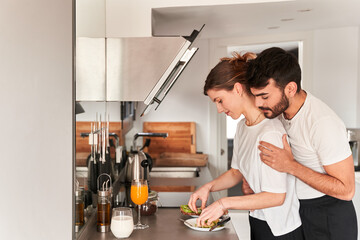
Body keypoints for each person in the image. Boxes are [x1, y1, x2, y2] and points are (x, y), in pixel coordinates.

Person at [188, 52, 303, 239]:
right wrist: (208, 187)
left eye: (219, 100)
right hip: (258, 218)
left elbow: (276, 196)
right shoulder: (243, 127)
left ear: (238, 89)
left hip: (280, 229)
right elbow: (236, 172)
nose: (219, 109)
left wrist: (223, 204)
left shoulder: (270, 132)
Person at [246, 47, 357, 240]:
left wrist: (290, 166)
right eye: (255, 96)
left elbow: (347, 190)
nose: (257, 104)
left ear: (290, 89)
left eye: (264, 96)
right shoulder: (277, 113)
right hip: (297, 210)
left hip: (328, 216)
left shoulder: (322, 122)